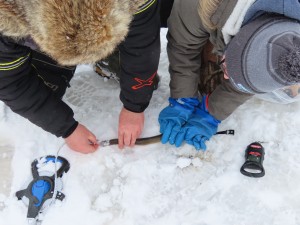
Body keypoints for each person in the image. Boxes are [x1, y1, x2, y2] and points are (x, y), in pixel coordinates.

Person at [0, 0, 163, 153]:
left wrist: (135, 105)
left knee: (140, 73)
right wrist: (66, 128)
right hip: (24, 26)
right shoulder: (6, 16)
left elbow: (143, 46)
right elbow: (11, 84)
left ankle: (110, 54)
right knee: (46, 94)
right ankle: (49, 58)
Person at [159, 0, 300, 150]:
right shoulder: (198, 6)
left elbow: (249, 82)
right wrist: (183, 96)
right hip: (209, 12)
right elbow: (183, 49)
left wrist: (212, 112)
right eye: (227, 69)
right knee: (208, 81)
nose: (225, 77)